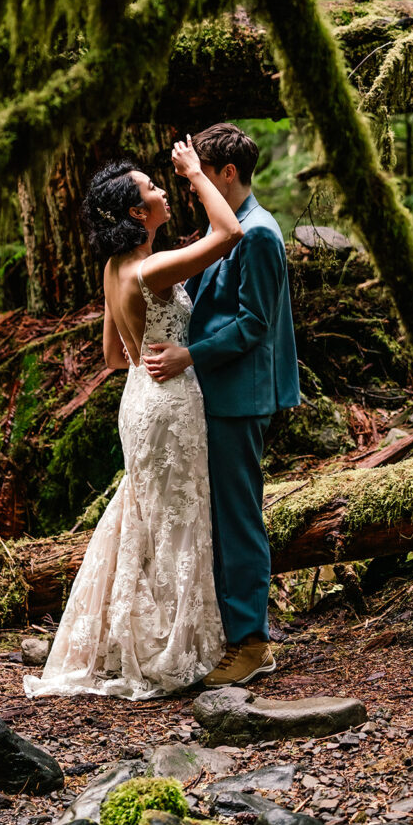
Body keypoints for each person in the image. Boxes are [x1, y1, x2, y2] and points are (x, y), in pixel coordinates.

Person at [23, 136, 242, 700]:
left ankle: (136, 636)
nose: (164, 189)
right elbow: (229, 233)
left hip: (139, 401)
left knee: (150, 517)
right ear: (136, 213)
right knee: (176, 521)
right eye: (153, 187)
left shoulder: (115, 268)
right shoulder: (152, 271)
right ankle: (167, 647)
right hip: (168, 405)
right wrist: (197, 173)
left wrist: (150, 356)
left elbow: (114, 357)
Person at [143, 123, 300, 687]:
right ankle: (231, 632)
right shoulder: (228, 230)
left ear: (226, 173)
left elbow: (254, 325)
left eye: (198, 176)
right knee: (222, 515)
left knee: (237, 518)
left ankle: (252, 643)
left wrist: (190, 356)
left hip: (238, 396)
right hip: (218, 394)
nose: (191, 189)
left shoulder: (258, 234)